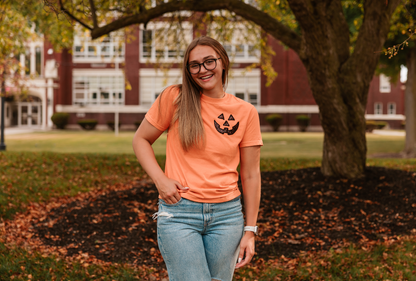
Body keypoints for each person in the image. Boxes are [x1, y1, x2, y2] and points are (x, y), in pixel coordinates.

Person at [132, 36, 262, 281]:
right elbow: (140, 140)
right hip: (179, 214)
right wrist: (160, 180)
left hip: (228, 217)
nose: (203, 70)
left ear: (222, 62)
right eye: (195, 65)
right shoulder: (175, 98)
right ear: (188, 70)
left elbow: (251, 174)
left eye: (209, 61)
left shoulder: (246, 112)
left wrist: (250, 230)